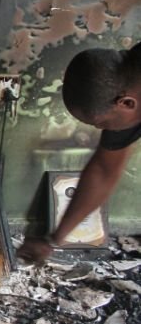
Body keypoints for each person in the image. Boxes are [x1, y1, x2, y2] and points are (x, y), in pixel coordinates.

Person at [18, 42, 141, 263]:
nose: (101, 129)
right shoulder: (129, 87)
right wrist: (53, 240)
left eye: (100, 123)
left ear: (126, 104)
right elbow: (103, 170)